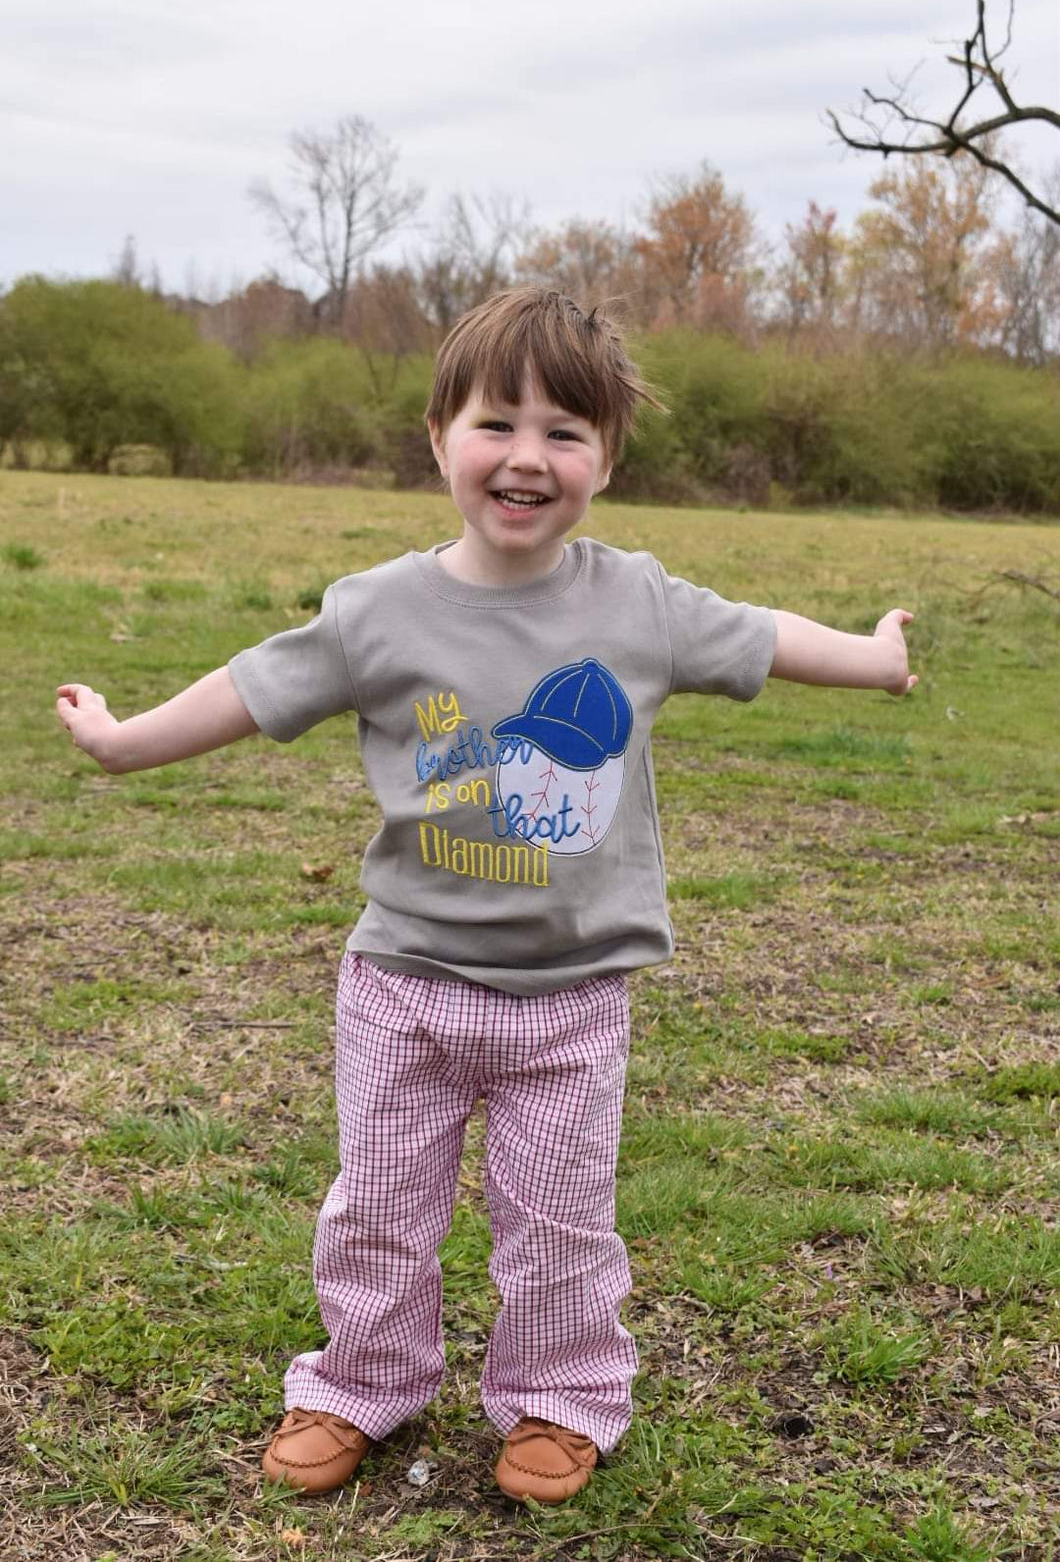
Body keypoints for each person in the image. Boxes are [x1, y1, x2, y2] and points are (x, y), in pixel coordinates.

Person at [56, 287, 917, 1506]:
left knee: (559, 1223)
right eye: (494, 424)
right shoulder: (377, 610)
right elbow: (256, 687)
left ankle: (562, 1400)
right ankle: (362, 1383)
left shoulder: (638, 603)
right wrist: (126, 740)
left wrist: (874, 658)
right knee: (380, 1210)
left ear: (606, 459)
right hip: (402, 985)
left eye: (565, 431)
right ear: (437, 438)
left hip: (570, 1000)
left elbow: (763, 639)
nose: (527, 456)